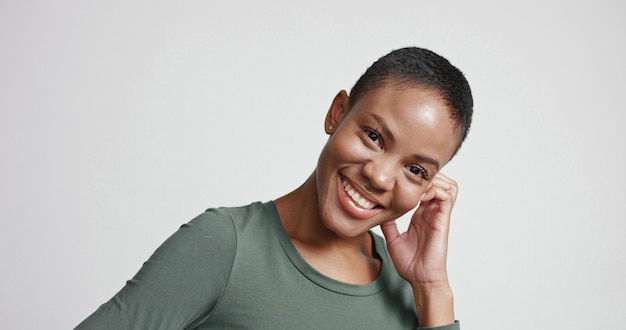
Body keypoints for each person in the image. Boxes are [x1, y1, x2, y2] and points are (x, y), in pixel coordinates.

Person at [76, 46, 473, 329]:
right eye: (373, 135)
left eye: (416, 170)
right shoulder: (224, 246)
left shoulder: (410, 288)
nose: (381, 177)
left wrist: (432, 288)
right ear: (337, 113)